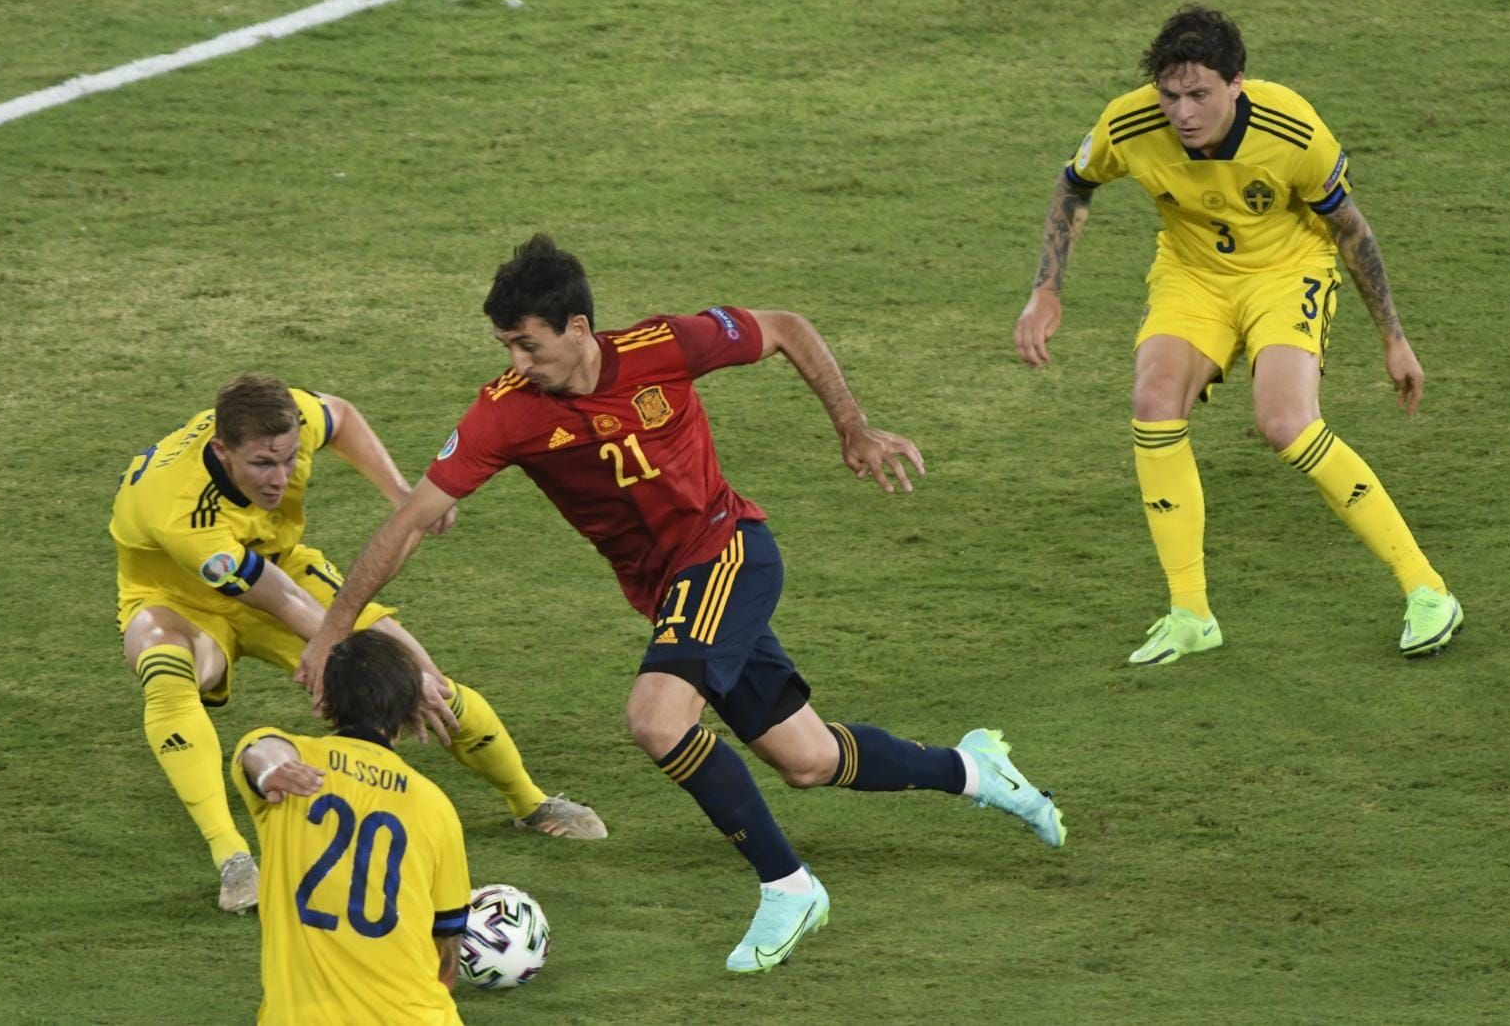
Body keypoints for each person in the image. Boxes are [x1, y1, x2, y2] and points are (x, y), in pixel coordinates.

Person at [299, 234, 1066, 975]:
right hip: (675, 594)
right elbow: (406, 524)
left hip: (730, 550)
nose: (515, 363)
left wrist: (853, 426)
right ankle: (976, 768)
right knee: (807, 758)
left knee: (655, 717)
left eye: (527, 344)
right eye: (505, 345)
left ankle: (788, 887)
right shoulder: (506, 412)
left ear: (577, 327)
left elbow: (786, 329)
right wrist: (334, 631)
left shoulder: (661, 347)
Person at [1013, 4, 1463, 665]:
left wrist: (1393, 339)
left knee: (1284, 421)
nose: (1182, 112)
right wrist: (1046, 288)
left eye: (1199, 94)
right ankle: (1190, 613)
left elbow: (1350, 231)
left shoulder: (1292, 128)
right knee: (1153, 402)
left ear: (1236, 84)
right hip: (1193, 275)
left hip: (1286, 271)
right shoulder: (1130, 122)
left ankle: (1427, 589)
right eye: (1170, 95)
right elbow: (1073, 185)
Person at [110, 375, 604, 914]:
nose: (280, 478)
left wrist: (403, 496)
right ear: (221, 450)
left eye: (289, 459)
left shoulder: (281, 414)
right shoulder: (181, 511)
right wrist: (344, 652)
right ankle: (233, 860)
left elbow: (341, 415)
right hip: (177, 600)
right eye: (261, 466)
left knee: (424, 680)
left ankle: (531, 802)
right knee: (165, 669)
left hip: (282, 566)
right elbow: (283, 603)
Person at [231, 629, 471, 1025]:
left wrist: (274, 768)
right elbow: (447, 949)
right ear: (410, 708)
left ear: (325, 700)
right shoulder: (435, 806)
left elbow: (259, 752)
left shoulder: (296, 770)